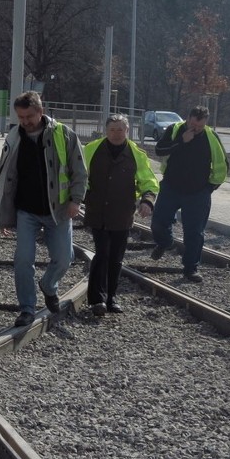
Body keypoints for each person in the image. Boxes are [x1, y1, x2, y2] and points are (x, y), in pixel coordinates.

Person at [0, 91, 87, 326]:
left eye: (29, 116)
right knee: (23, 260)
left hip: (59, 210)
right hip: (27, 211)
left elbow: (80, 171)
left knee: (64, 259)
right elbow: (5, 178)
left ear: (41, 112)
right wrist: (3, 215)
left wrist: (76, 200)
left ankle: (48, 285)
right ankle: (27, 308)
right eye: (21, 116)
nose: (25, 121)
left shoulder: (64, 135)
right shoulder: (14, 137)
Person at [83, 114, 158, 315]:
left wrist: (147, 201)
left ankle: (111, 298)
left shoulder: (137, 154)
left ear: (127, 131)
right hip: (97, 211)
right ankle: (96, 299)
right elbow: (79, 175)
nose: (116, 134)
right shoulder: (91, 150)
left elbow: (148, 181)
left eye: (120, 130)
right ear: (106, 131)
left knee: (116, 257)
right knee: (102, 253)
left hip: (122, 213)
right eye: (112, 130)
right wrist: (81, 196)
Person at [150, 105, 228, 282]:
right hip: (171, 186)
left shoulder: (211, 137)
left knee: (194, 233)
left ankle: (190, 268)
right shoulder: (174, 130)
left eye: (200, 125)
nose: (196, 128)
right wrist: (181, 141)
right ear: (187, 119)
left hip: (198, 192)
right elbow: (159, 150)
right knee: (158, 223)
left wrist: (210, 187)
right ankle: (165, 242)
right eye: (193, 124)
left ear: (206, 122)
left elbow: (222, 164)